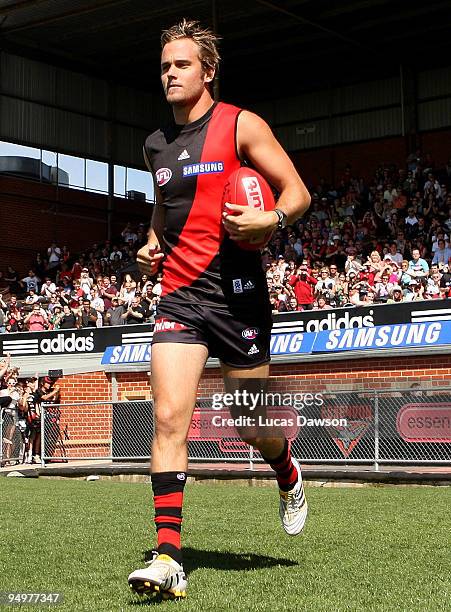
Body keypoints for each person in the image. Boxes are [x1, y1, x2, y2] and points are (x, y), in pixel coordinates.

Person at [128, 19, 311, 600]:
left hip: (240, 300)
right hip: (180, 297)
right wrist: (153, 242)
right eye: (164, 66)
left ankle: (286, 469)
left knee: (249, 425)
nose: (170, 74)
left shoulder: (241, 124)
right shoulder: (156, 143)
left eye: (181, 65)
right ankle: (168, 554)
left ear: (208, 71)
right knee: (167, 419)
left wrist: (271, 220)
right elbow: (167, 207)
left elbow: (298, 194)